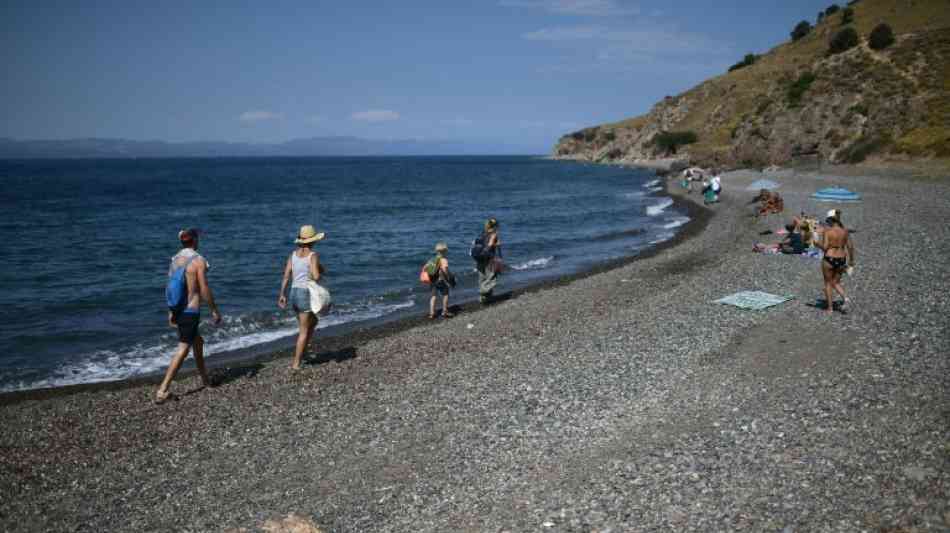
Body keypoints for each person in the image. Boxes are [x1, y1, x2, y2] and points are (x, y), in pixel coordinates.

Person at [156, 228, 222, 404]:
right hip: (190, 311)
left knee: (198, 342)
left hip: (178, 310)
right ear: (194, 241)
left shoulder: (175, 259)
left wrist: (171, 311)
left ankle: (205, 380)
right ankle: (163, 390)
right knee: (183, 349)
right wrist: (214, 309)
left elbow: (169, 286)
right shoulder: (198, 261)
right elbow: (204, 288)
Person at [278, 225, 325, 370]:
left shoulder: (293, 255)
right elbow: (316, 276)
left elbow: (286, 276)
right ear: (313, 240)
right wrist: (320, 270)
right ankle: (296, 363)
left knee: (314, 321)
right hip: (305, 293)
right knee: (304, 331)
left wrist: (282, 295)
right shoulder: (313, 255)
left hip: (293, 293)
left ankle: (303, 352)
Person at [816, 214, 855, 314]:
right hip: (841, 258)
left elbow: (825, 248)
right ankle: (845, 298)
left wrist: (816, 244)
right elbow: (850, 247)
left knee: (828, 283)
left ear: (831, 221)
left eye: (828, 222)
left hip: (829, 258)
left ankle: (830, 308)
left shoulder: (827, 231)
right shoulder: (845, 231)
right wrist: (851, 261)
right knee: (836, 282)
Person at [476, 218, 502, 304]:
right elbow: (491, 245)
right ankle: (482, 291)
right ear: (495, 226)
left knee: (482, 278)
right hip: (489, 259)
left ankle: (485, 299)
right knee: (491, 279)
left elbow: (475, 243)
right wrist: (497, 244)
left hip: (479, 258)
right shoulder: (494, 234)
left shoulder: (482, 233)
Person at [427, 242, 454, 319]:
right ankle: (445, 311)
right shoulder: (443, 260)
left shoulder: (433, 259)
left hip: (432, 280)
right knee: (445, 295)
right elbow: (445, 270)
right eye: (446, 251)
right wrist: (449, 277)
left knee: (433, 296)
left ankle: (432, 313)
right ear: (444, 251)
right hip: (441, 280)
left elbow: (426, 268)